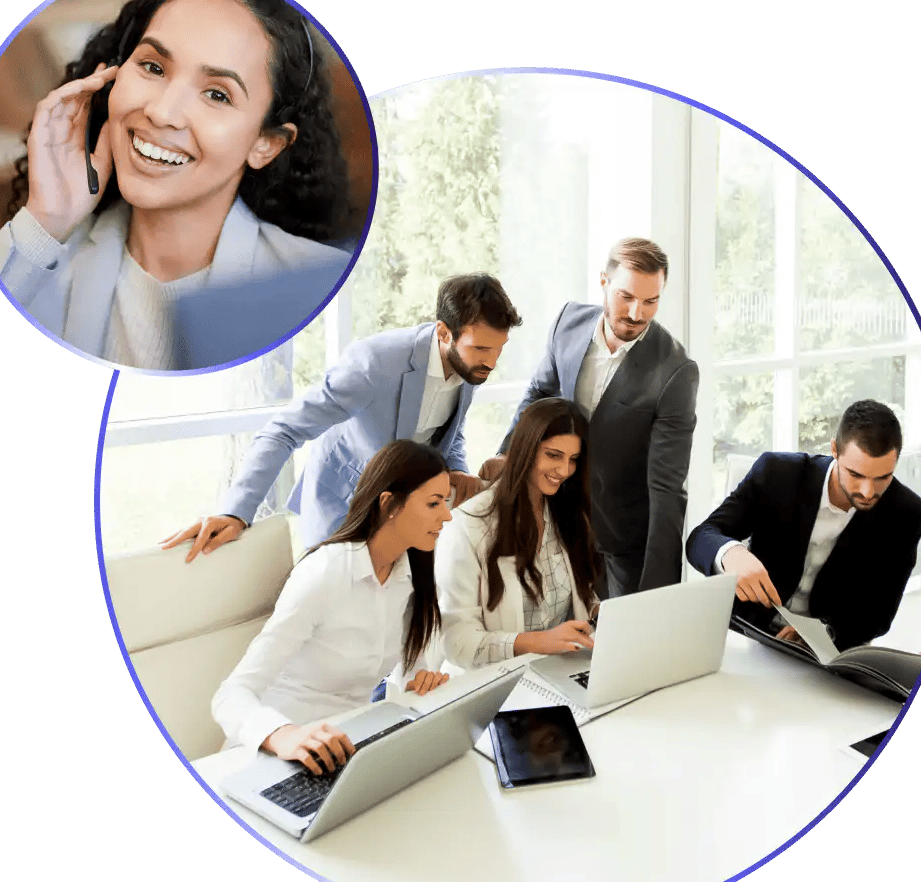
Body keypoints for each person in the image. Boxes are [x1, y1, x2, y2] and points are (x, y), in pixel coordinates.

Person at [0, 0, 353, 369]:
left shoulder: (325, 289)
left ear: (265, 144)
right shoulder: (34, 267)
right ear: (112, 76)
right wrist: (47, 219)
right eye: (153, 68)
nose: (161, 112)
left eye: (217, 94)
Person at [164, 273, 522, 558]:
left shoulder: (472, 365)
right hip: (344, 509)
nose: (492, 362)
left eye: (501, 350)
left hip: (406, 514)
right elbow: (284, 430)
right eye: (482, 349)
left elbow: (448, 428)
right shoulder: (374, 364)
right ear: (444, 333)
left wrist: (456, 469)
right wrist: (236, 511)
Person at [211, 440, 452, 774]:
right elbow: (230, 697)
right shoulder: (324, 574)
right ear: (389, 504)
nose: (447, 515)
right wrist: (284, 736)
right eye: (434, 503)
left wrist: (422, 684)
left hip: (345, 753)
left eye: (447, 502)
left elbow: (413, 672)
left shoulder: (414, 579)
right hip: (278, 754)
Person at [481, 238, 698, 597]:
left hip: (621, 539)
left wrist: (662, 596)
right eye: (626, 297)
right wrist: (507, 454)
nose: (636, 314)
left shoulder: (676, 370)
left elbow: (667, 487)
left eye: (650, 301)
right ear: (604, 282)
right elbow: (538, 394)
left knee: (625, 644)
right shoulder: (567, 322)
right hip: (554, 518)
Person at [685, 400, 921, 651]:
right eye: (855, 475)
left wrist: (825, 634)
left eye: (883, 478)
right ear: (834, 449)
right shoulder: (778, 474)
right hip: (746, 633)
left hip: (826, 651)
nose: (868, 491)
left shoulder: (906, 513)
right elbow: (700, 538)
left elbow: (879, 615)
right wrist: (730, 553)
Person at [436, 398, 603, 669]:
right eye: (553, 455)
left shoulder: (566, 514)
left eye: (573, 460)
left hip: (560, 671)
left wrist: (598, 613)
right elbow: (457, 642)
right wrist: (536, 642)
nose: (563, 471)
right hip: (494, 686)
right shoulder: (468, 526)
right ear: (526, 448)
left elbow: (575, 595)